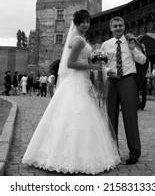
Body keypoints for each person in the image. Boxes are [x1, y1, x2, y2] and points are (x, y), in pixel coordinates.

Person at [22, 10, 120, 175]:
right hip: (76, 82)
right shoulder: (79, 41)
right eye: (82, 21)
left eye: (87, 21)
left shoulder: (78, 40)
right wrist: (93, 66)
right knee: (75, 116)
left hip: (81, 82)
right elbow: (70, 63)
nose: (86, 24)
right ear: (76, 23)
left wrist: (98, 64)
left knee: (79, 117)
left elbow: (80, 59)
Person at [101, 16, 147, 165]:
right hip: (112, 82)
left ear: (124, 26)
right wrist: (107, 71)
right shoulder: (106, 45)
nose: (118, 28)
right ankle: (113, 150)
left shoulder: (132, 42)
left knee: (130, 117)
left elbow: (143, 61)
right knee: (110, 116)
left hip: (128, 80)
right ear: (111, 28)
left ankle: (134, 151)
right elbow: (101, 64)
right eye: (115, 26)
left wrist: (134, 49)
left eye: (120, 25)